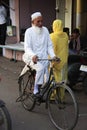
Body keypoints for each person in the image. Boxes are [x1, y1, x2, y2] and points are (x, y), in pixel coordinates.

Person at [22, 12, 57, 96]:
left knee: (47, 78)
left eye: (42, 21)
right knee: (40, 69)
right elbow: (27, 47)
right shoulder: (28, 32)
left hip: (43, 57)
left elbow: (49, 45)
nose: (40, 23)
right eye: (38, 21)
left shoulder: (45, 30)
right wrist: (33, 55)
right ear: (33, 22)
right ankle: (35, 90)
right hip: (31, 57)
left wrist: (53, 56)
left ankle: (40, 89)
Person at [50, 19, 69, 100]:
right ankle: (62, 97)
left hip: (56, 61)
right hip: (64, 61)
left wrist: (52, 62)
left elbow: (52, 50)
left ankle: (52, 96)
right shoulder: (65, 35)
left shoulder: (52, 36)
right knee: (62, 80)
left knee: (52, 79)